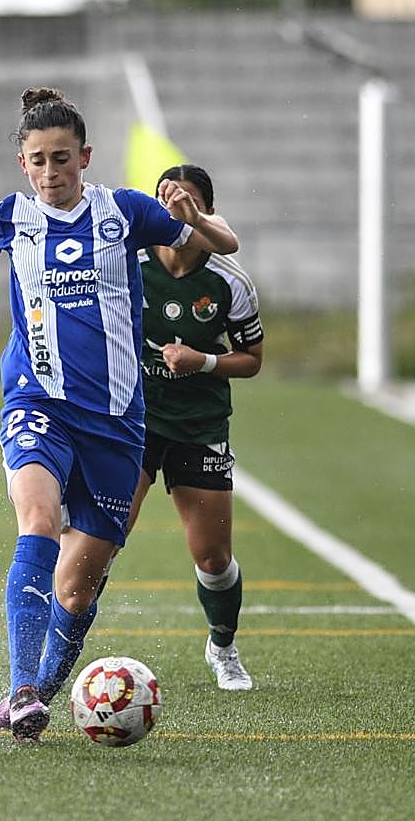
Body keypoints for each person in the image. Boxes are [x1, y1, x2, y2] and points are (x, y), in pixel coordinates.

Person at [0, 88, 239, 742]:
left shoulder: (125, 211)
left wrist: (193, 218)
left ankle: (37, 692)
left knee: (78, 587)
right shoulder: (11, 217)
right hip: (36, 403)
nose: (49, 173)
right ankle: (24, 689)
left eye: (61, 159)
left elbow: (222, 243)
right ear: (23, 163)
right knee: (37, 521)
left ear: (84, 157)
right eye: (37, 160)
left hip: (118, 422)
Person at [127, 164, 263, 689]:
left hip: (199, 422)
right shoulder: (128, 264)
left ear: (207, 213)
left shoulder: (230, 282)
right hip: (133, 419)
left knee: (212, 555)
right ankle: (59, 646)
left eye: (189, 205)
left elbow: (252, 359)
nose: (177, 214)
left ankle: (222, 646)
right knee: (105, 538)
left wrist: (202, 361)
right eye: (168, 204)